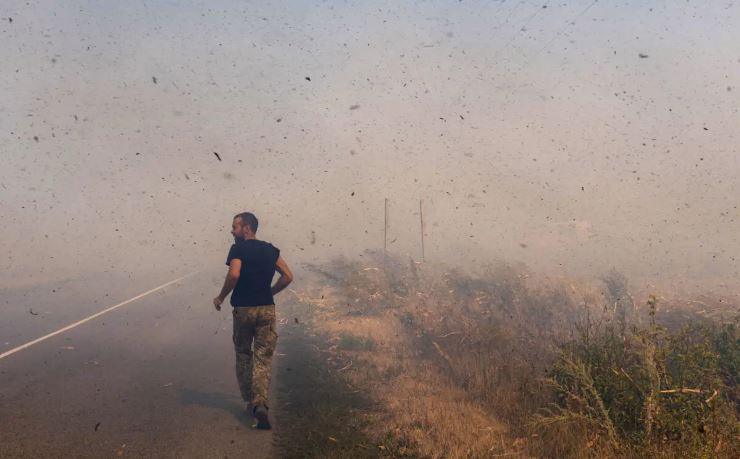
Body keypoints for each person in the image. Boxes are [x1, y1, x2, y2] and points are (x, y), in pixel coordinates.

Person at [213, 212, 293, 429]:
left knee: (243, 354)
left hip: (243, 309)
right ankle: (260, 404)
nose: (232, 231)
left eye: (234, 227)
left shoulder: (238, 249)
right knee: (263, 357)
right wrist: (270, 292)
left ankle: (251, 401)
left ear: (246, 228)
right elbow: (288, 276)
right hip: (266, 309)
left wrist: (221, 297)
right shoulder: (270, 249)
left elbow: (234, 274)